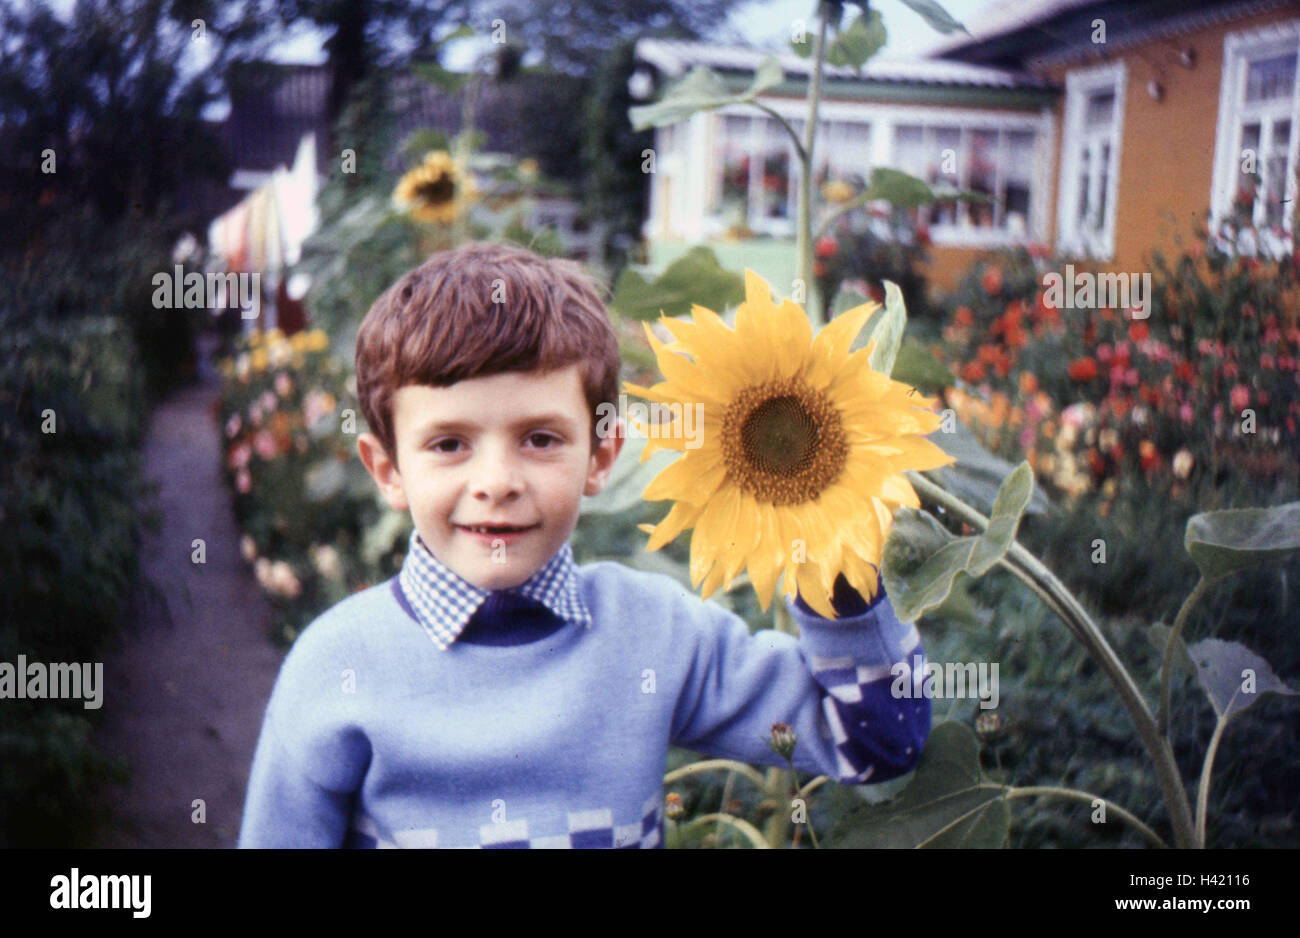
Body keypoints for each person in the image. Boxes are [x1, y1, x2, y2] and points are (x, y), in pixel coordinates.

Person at [237, 242, 931, 849]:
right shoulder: (337, 666)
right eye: (449, 445)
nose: (498, 483)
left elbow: (877, 739)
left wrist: (829, 534)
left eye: (540, 439)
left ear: (601, 457)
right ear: (387, 470)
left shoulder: (654, 635)